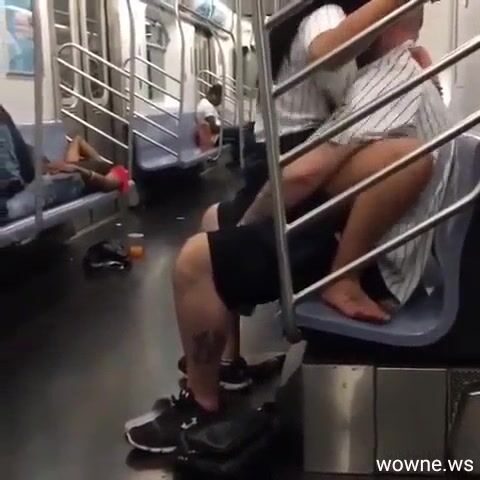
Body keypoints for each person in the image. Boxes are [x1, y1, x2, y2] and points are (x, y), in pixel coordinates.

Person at [125, 0, 445, 453]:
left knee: (195, 261)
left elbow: (305, 174)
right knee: (217, 226)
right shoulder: (400, 75)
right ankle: (224, 369)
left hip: (377, 257)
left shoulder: (390, 78)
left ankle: (201, 404)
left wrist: (249, 225)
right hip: (380, 238)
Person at [196, 84, 242, 165]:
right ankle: (237, 163)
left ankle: (236, 161)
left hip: (212, 136)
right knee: (239, 132)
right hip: (213, 138)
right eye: (220, 99)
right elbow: (214, 128)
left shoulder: (204, 103)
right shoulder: (207, 106)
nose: (220, 102)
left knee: (238, 131)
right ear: (214, 96)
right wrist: (224, 128)